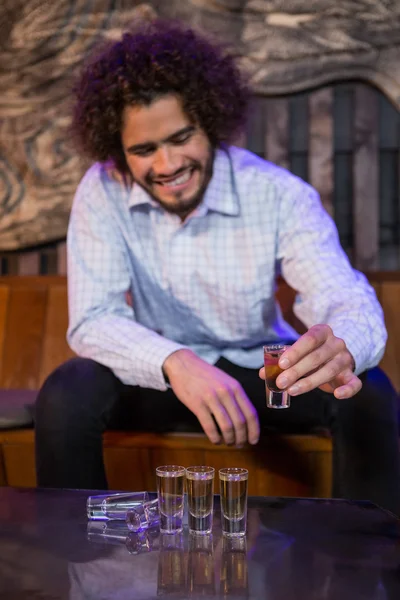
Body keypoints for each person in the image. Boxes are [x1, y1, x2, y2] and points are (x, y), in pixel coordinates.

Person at [35, 19, 400, 515]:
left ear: (210, 121)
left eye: (181, 137)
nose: (165, 165)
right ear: (118, 150)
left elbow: (344, 295)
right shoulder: (101, 191)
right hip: (165, 374)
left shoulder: (277, 193)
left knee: (367, 389)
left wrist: (343, 345)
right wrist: (177, 362)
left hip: (263, 374)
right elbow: (92, 319)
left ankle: (367, 571)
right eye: (143, 150)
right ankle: (72, 562)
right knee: (67, 389)